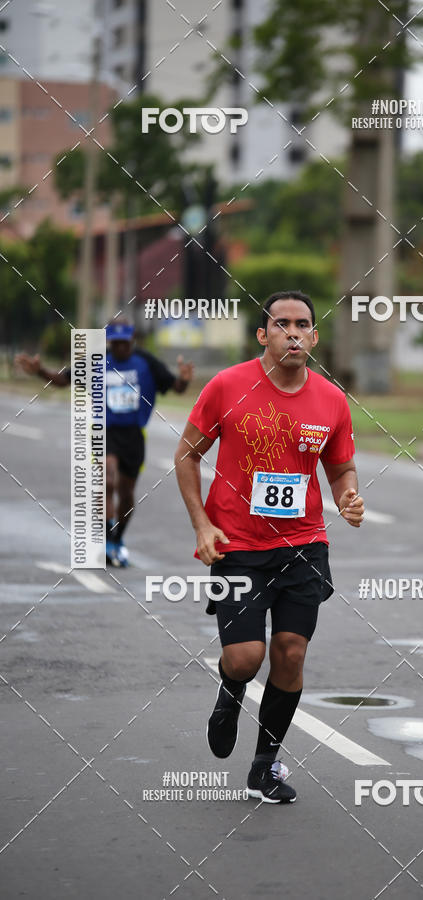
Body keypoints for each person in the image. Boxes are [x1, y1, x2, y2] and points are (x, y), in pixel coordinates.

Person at [174, 290, 364, 804]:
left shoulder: (331, 399)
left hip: (304, 543)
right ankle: (230, 690)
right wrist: (201, 525)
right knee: (244, 657)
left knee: (290, 652)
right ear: (264, 334)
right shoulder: (227, 386)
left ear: (315, 335)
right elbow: (186, 457)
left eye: (304, 324)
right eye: (282, 324)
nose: (294, 332)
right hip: (237, 543)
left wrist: (346, 495)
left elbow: (339, 466)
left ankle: (265, 766)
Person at [15, 320, 193, 567]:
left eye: (125, 342)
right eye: (115, 342)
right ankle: (108, 536)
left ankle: (117, 538)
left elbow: (175, 387)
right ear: (110, 342)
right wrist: (40, 371)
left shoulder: (146, 362)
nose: (120, 347)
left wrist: (184, 379)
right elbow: (63, 379)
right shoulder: (97, 360)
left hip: (134, 435)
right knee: (107, 479)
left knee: (127, 492)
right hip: (104, 430)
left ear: (132, 340)